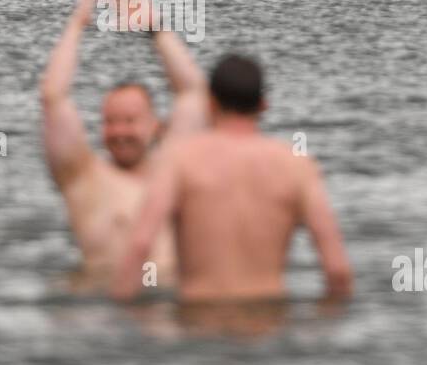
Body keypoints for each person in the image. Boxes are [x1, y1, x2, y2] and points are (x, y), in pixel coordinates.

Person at [111, 54, 353, 303]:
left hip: (198, 320)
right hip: (268, 324)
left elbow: (140, 244)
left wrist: (121, 315)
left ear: (211, 104)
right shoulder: (298, 166)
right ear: (263, 105)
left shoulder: (179, 159)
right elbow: (337, 270)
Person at [41, 0, 208, 287]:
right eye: (111, 122)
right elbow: (54, 98)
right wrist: (77, 24)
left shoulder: (172, 170)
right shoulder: (84, 179)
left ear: (156, 126)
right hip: (104, 309)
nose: (120, 132)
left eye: (130, 121)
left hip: (164, 311)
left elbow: (194, 94)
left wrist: (155, 29)